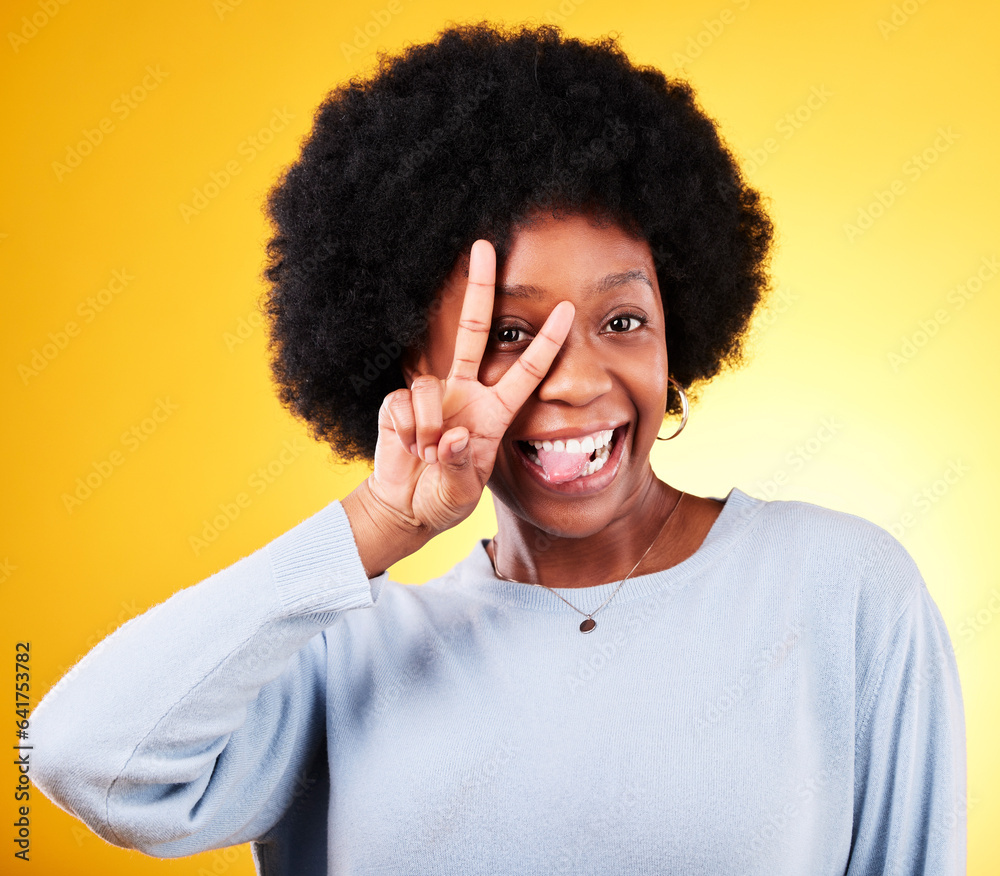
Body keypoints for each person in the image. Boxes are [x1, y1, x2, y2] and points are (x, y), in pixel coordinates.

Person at [32, 21, 966, 875]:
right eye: (510, 335)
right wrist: (378, 523)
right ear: (412, 361)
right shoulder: (347, 654)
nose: (572, 380)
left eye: (623, 319)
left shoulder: (841, 590)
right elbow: (85, 756)